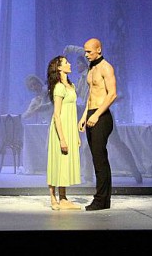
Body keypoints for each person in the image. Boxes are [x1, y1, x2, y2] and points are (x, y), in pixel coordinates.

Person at [79, 38, 116, 211]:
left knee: (100, 159)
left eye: (89, 51)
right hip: (92, 114)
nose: (86, 55)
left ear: (99, 50)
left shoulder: (106, 67)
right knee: (97, 158)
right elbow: (91, 95)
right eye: (85, 51)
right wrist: (84, 116)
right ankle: (104, 200)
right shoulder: (92, 68)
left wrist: (97, 115)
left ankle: (100, 200)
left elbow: (112, 94)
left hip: (102, 116)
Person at [45, 56, 82, 210]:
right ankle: (53, 197)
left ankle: (64, 197)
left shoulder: (71, 85)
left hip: (69, 128)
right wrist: (62, 139)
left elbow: (72, 111)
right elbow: (56, 115)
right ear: (59, 68)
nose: (70, 64)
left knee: (65, 163)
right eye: (66, 62)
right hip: (60, 129)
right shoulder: (59, 87)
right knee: (56, 161)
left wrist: (76, 135)